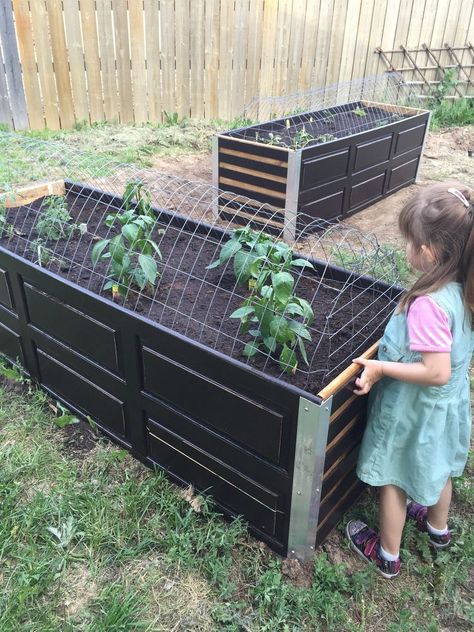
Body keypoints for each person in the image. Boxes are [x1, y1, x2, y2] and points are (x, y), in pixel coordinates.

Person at [346, 182, 473, 579]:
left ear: (430, 251)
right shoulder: (464, 289)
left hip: (414, 411)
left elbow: (435, 371)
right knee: (441, 468)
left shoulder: (428, 306)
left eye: (410, 242)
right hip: (447, 409)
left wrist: (382, 368)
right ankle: (438, 530)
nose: (407, 249)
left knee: (393, 479)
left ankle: (386, 554)